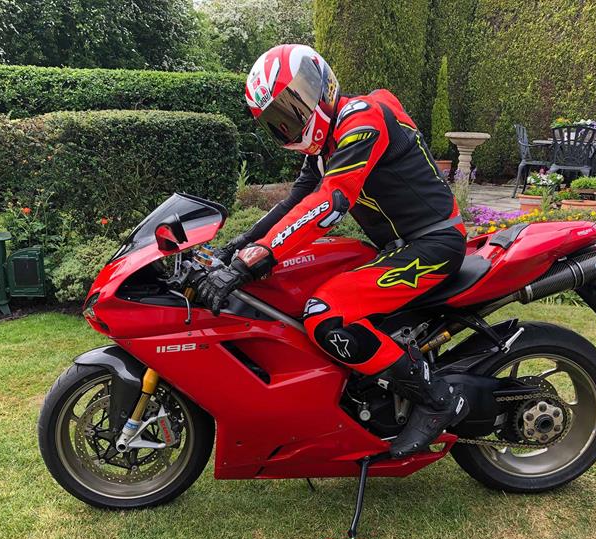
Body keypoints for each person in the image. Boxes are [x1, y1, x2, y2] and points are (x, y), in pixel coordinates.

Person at [197, 44, 469, 458]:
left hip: (433, 244)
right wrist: (236, 247)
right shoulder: (324, 148)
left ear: (321, 84)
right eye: (279, 119)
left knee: (326, 314)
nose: (292, 122)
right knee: (301, 284)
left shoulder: (362, 120)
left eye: (295, 105)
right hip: (395, 246)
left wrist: (255, 260)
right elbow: (295, 202)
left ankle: (435, 400)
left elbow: (331, 201)